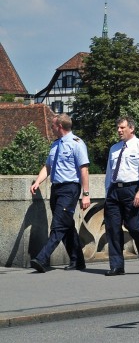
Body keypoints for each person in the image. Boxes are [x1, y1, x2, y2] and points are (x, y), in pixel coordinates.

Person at [28, 114, 90, 272]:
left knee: (58, 225)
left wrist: (86, 194)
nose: (51, 128)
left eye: (53, 126)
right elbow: (48, 167)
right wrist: (37, 181)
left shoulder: (77, 143)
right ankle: (78, 261)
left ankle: (41, 258)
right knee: (67, 225)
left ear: (60, 126)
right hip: (56, 189)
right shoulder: (55, 145)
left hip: (69, 189)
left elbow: (84, 169)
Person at [104, 115, 139, 276]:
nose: (119, 130)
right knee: (112, 228)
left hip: (132, 189)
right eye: (118, 128)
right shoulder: (114, 148)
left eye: (122, 128)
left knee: (133, 226)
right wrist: (107, 192)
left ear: (131, 128)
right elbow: (109, 173)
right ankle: (117, 266)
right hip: (114, 191)